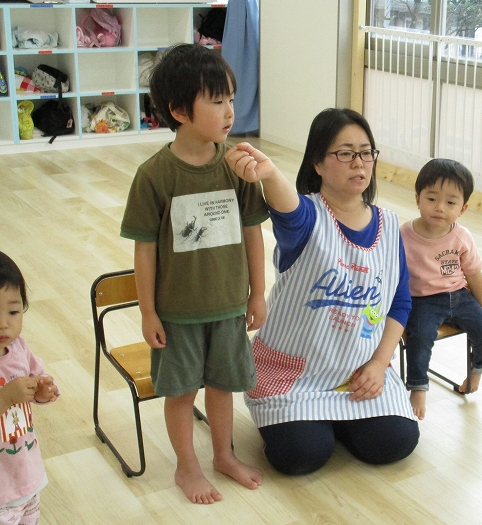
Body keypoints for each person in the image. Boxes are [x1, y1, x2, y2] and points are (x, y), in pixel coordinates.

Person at [226, 108, 419, 475]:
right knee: (301, 455)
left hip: (356, 373)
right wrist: (269, 173)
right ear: (317, 163)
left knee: (396, 442)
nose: (359, 163)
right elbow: (287, 208)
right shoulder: (306, 219)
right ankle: (318, 425)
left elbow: (400, 302)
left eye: (366, 153)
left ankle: (333, 420)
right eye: (345, 153)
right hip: (295, 375)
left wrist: (379, 364)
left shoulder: (390, 225)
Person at [120, 44, 269, 504]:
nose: (230, 112)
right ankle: (187, 467)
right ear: (180, 111)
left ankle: (223, 455)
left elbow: (253, 234)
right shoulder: (154, 175)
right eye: (217, 101)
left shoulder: (238, 166)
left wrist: (257, 294)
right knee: (182, 393)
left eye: (231, 99)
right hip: (177, 313)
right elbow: (145, 251)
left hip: (228, 307)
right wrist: (148, 312)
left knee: (223, 387)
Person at [400, 159, 482, 419]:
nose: (440, 208)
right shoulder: (404, 235)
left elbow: (474, 274)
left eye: (450, 203)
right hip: (422, 300)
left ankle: (476, 371)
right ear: (418, 199)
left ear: (462, 208)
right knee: (420, 337)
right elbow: (392, 276)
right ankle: (418, 387)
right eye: (431, 199)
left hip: (459, 295)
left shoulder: (461, 236)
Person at [0, 251, 59, 525]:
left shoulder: (18, 347)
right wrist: (6, 397)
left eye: (13, 312)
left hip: (25, 474)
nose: (4, 324)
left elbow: (37, 377)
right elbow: (11, 396)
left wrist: (43, 391)